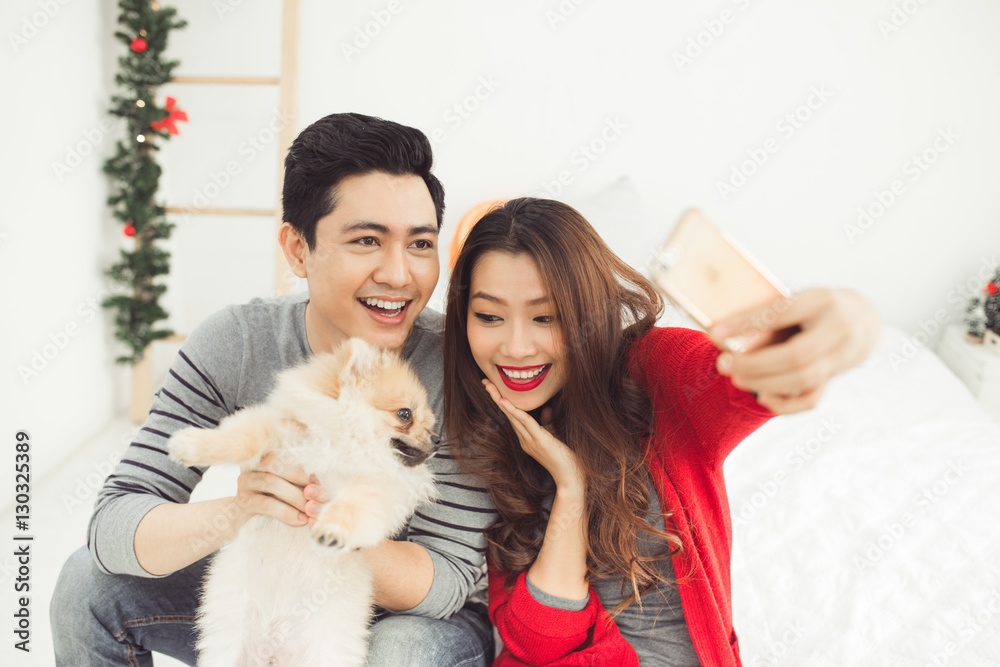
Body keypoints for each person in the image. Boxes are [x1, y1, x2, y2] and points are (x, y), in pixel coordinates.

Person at [49, 113, 496, 666]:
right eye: (366, 240)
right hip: (276, 583)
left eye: (420, 244)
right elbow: (113, 523)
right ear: (297, 249)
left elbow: (447, 581)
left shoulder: (457, 365)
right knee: (87, 588)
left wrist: (329, 518)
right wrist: (240, 509)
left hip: (411, 615)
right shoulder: (237, 342)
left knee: (397, 654)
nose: (400, 275)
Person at [441, 197, 881, 666]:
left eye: (545, 317)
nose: (516, 346)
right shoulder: (484, 430)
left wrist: (848, 320)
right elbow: (537, 643)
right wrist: (570, 486)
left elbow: (741, 378)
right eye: (489, 316)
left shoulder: (653, 372)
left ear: (588, 311)